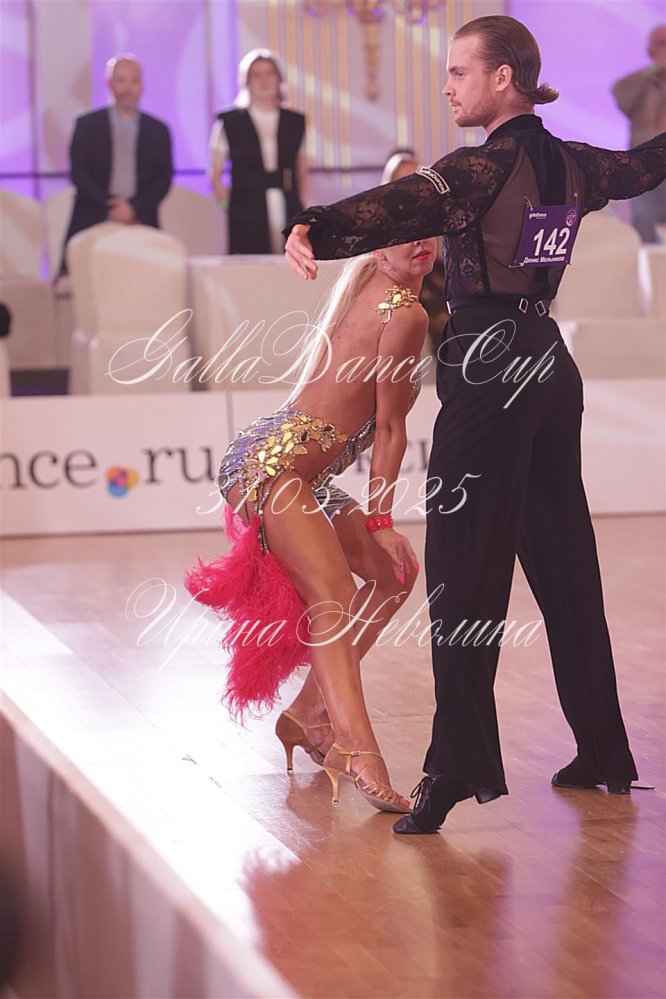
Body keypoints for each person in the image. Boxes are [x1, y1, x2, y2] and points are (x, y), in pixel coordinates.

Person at [284, 14, 666, 835]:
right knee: (565, 561)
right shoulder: (574, 162)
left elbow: (399, 205)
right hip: (548, 362)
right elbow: (643, 166)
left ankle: (456, 764)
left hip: (490, 364)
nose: (448, 85)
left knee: (462, 570)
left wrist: (316, 222)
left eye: (461, 71)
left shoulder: (481, 166)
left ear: (504, 78)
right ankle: (603, 748)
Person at [186, 237, 437, 814]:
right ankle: (357, 749)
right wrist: (380, 519)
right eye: (404, 232)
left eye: (428, 229)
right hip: (271, 466)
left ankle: (307, 715)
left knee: (396, 574)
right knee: (333, 595)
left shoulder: (382, 292)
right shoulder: (405, 312)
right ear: (378, 250)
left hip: (301, 473)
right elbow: (390, 430)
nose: (421, 242)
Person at [61, 55, 173, 267]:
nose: (128, 88)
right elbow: (79, 173)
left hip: (141, 220)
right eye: (121, 81)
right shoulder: (87, 126)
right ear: (109, 84)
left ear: (142, 85)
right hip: (92, 217)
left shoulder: (158, 131)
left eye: (133, 81)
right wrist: (112, 206)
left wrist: (133, 208)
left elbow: (162, 179)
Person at [209, 49, 308, 254]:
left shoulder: (295, 121)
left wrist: (303, 206)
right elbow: (215, 172)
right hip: (246, 207)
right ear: (246, 80)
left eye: (269, 73)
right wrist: (227, 206)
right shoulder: (230, 122)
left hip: (287, 201)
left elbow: (302, 169)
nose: (264, 80)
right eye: (256, 75)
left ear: (278, 78)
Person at [382, 148, 450, 356]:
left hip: (433, 276)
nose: (415, 187)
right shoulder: (383, 220)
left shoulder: (434, 213)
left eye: (419, 180)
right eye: (407, 181)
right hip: (400, 282)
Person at [613, 24, 666, 242]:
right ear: (650, 50)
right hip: (645, 166)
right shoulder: (640, 81)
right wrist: (655, 69)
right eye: (661, 44)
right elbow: (621, 96)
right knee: (645, 222)